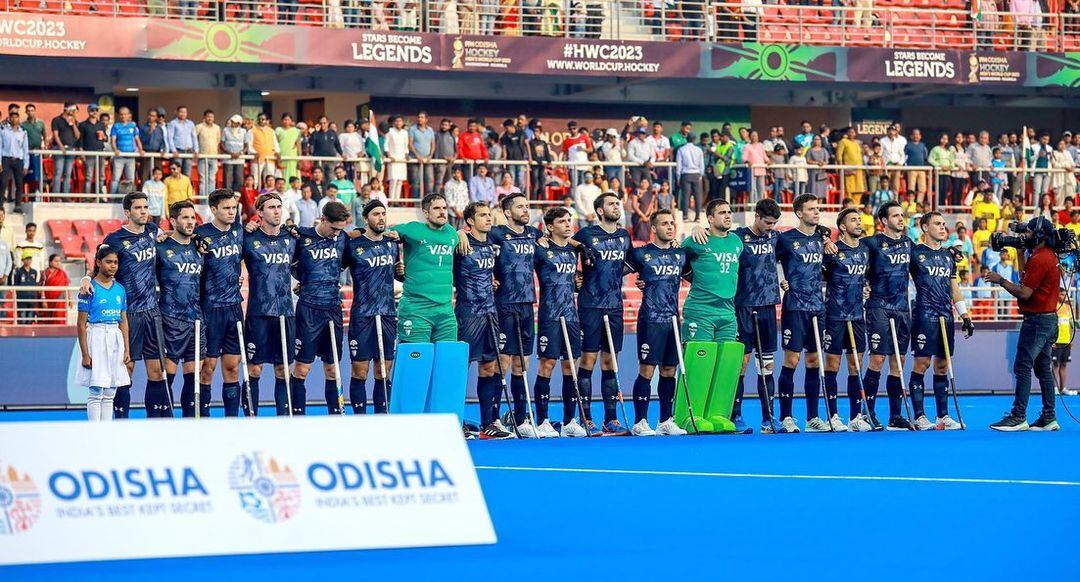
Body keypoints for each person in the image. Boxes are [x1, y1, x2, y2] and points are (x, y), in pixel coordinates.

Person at [81, 193, 165, 418]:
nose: (144, 211)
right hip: (129, 313)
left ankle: (154, 423)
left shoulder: (153, 231)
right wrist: (86, 279)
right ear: (127, 213)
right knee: (125, 369)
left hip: (152, 311)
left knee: (157, 370)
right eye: (138, 208)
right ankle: (120, 422)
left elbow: (175, 239)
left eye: (146, 207)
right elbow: (98, 264)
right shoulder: (115, 239)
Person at [776, 194, 844, 432]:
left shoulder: (821, 239)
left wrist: (827, 244)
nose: (817, 212)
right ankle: (786, 416)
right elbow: (769, 261)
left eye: (818, 208)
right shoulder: (785, 239)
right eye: (811, 209)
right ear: (799, 213)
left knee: (814, 360)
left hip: (818, 306)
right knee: (792, 360)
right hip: (795, 306)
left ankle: (812, 418)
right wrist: (781, 280)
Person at [571, 192, 632, 436]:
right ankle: (586, 418)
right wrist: (574, 276)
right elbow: (565, 245)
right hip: (590, 305)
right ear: (599, 211)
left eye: (618, 204)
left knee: (610, 361)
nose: (616, 207)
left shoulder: (624, 235)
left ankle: (611, 419)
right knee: (588, 361)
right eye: (611, 204)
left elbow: (629, 263)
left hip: (615, 305)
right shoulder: (587, 234)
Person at [907, 211, 975, 431]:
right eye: (937, 224)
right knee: (922, 363)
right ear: (925, 228)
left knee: (943, 365)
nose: (943, 227)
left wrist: (964, 314)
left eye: (944, 224)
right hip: (924, 315)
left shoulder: (948, 256)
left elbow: (953, 287)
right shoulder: (915, 253)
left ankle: (943, 415)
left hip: (945, 315)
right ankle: (919, 415)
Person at [623, 209, 688, 436]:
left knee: (669, 370)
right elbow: (614, 273)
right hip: (651, 319)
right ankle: (640, 421)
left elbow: (697, 276)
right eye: (664, 224)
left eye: (672, 223)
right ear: (654, 228)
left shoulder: (681, 254)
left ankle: (665, 421)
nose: (670, 227)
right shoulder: (642, 254)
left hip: (673, 319)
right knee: (647, 370)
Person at [681, 198, 742, 431]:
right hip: (701, 311)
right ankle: (691, 415)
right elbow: (675, 260)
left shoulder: (737, 242)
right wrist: (695, 229)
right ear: (710, 218)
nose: (728, 216)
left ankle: (717, 414)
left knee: (726, 362)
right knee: (700, 362)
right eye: (722, 213)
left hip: (727, 311)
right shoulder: (697, 241)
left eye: (729, 212)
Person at [453, 202, 512, 439]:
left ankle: (489, 424)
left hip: (491, 313)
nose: (489, 218)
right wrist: (458, 232)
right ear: (469, 221)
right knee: (460, 369)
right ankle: (455, 422)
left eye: (490, 214)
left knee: (489, 367)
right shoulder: (460, 244)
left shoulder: (492, 244)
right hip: (468, 314)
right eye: (482, 215)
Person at [487, 194, 544, 437]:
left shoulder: (534, 234)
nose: (525, 209)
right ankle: (493, 419)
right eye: (520, 206)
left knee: (523, 363)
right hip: (505, 304)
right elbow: (472, 240)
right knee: (503, 362)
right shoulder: (497, 233)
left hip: (527, 304)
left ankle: (520, 419)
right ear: (508, 212)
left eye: (527, 205)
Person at [291, 201, 350, 416]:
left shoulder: (342, 238)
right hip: (308, 310)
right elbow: (291, 267)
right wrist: (304, 282)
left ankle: (335, 416)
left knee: (332, 369)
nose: (336, 233)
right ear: (323, 219)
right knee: (302, 368)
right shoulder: (302, 237)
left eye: (340, 229)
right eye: (333, 228)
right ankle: (297, 416)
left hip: (332, 309)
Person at [242, 193, 298, 416]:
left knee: (283, 369)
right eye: (271, 207)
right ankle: (250, 418)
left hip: (285, 313)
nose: (277, 211)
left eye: (279, 207)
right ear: (260, 213)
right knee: (254, 369)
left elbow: (304, 264)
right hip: (258, 313)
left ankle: (283, 418)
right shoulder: (248, 239)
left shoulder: (292, 237)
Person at [532, 206, 586, 437]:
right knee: (547, 365)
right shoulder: (541, 250)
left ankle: (569, 421)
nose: (568, 224)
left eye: (569, 220)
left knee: (571, 367)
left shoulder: (574, 252)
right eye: (562, 221)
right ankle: (543, 421)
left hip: (571, 316)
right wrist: (541, 238)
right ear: (550, 226)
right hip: (549, 315)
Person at [193, 190, 247, 416]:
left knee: (232, 368)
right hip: (210, 309)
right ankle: (203, 419)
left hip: (234, 308)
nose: (231, 212)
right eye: (226, 208)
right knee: (208, 368)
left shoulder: (240, 230)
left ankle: (231, 420)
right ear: (213, 210)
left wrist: (240, 272)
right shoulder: (201, 234)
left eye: (234, 207)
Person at [861, 201, 913, 430]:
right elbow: (851, 262)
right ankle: (867, 412)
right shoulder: (871, 243)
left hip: (902, 308)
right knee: (878, 359)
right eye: (895, 216)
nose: (901, 219)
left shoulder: (909, 244)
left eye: (902, 215)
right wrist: (861, 284)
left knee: (899, 362)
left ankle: (896, 416)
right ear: (883, 221)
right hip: (878, 306)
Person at [732, 198, 782, 433]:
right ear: (757, 217)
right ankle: (736, 416)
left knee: (767, 367)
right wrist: (697, 228)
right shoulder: (738, 237)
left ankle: (768, 418)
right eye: (768, 222)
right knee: (741, 365)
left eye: (774, 223)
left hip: (768, 307)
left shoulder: (775, 237)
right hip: (742, 306)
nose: (771, 226)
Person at [344, 201, 399, 415]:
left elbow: (398, 273)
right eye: (376, 214)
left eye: (384, 214)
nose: (381, 218)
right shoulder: (354, 245)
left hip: (387, 313)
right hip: (362, 314)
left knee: (383, 370)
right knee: (360, 371)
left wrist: (401, 272)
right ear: (366, 218)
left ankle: (381, 417)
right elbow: (332, 268)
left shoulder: (392, 243)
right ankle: (359, 418)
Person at [821, 207, 872, 431]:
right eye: (853, 220)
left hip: (857, 315)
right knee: (833, 364)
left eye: (859, 220)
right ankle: (832, 416)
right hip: (835, 315)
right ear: (842, 227)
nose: (859, 223)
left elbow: (867, 277)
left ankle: (855, 417)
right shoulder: (832, 251)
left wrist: (866, 288)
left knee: (855, 365)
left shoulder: (864, 250)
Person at [156, 201, 205, 418]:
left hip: (196, 320)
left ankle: (189, 425)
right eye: (185, 218)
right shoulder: (161, 247)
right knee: (168, 376)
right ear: (173, 221)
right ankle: (165, 423)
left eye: (193, 217)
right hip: (170, 319)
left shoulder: (200, 247)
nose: (190, 222)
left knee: (193, 377)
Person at [392, 194, 460, 344]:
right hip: (416, 310)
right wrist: (396, 263)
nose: (442, 211)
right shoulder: (412, 229)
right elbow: (384, 234)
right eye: (436, 208)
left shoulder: (453, 233)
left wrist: (464, 235)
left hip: (446, 312)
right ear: (426, 213)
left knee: (446, 362)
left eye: (444, 208)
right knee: (416, 363)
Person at [77, 246, 131, 422]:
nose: (113, 266)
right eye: (108, 262)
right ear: (99, 262)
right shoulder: (88, 289)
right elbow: (81, 323)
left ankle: (106, 432)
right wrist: (85, 354)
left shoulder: (120, 289)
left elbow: (123, 321)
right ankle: (94, 432)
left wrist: (126, 350)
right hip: (97, 335)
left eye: (115, 262)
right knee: (96, 391)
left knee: (110, 391)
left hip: (115, 336)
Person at [51, 103, 81, 195]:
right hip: (59, 148)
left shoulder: (74, 121)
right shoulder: (56, 120)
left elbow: (78, 136)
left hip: (71, 149)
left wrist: (73, 124)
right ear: (66, 109)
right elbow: (55, 135)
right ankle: (56, 194)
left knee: (68, 174)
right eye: (72, 109)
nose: (73, 112)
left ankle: (66, 194)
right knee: (58, 172)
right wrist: (61, 147)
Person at [1051, 290, 1077, 396]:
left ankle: (1062, 388)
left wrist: (1071, 339)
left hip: (1066, 341)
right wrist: (1052, 340)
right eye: (1062, 294)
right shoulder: (1054, 307)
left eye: (1065, 294)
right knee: (1056, 365)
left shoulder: (1068, 308)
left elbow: (1071, 326)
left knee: (1064, 365)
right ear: (1057, 294)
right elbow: (1052, 325)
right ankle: (1054, 388)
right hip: (1057, 342)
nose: (1064, 296)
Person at [676, 132, 705, 221]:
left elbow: (679, 165)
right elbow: (702, 165)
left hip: (686, 174)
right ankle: (697, 216)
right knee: (697, 196)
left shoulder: (681, 149)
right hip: (696, 174)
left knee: (686, 196)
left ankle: (685, 216)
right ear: (694, 139)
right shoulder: (698, 150)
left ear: (686, 139)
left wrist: (678, 177)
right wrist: (701, 175)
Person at [195, 110, 221, 197]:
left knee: (212, 179)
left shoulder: (217, 128)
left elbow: (218, 141)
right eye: (208, 116)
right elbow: (194, 140)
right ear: (204, 117)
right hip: (202, 157)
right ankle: (203, 202)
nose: (210, 118)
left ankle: (211, 200)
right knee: (203, 179)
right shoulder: (199, 127)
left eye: (212, 117)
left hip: (213, 157)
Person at [837, 127, 865, 205]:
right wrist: (842, 169)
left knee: (858, 191)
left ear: (855, 134)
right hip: (848, 171)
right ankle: (848, 208)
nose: (851, 134)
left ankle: (856, 208)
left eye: (853, 132)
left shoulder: (857, 143)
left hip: (859, 171)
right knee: (849, 191)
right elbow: (838, 156)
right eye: (849, 132)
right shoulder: (843, 141)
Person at [40, 254, 69, 324]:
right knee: (48, 319)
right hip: (48, 299)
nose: (58, 263)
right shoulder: (45, 273)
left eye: (59, 261)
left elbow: (67, 286)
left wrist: (70, 299)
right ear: (50, 262)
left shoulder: (63, 273)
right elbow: (42, 288)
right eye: (56, 261)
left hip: (60, 300)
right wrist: (43, 300)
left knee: (59, 317)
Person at [11, 251, 38, 324]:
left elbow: (35, 283)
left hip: (31, 297)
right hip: (22, 297)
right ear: (22, 260)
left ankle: (29, 334)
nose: (28, 261)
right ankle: (22, 334)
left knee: (30, 317)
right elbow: (15, 284)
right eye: (26, 259)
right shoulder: (18, 271)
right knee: (22, 317)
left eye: (29, 259)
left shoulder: (34, 272)